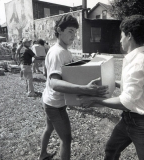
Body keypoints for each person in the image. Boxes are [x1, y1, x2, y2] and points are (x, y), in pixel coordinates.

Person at [80, 15, 144, 160]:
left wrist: (95, 100)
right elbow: (131, 85)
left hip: (143, 124)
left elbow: (125, 102)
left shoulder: (137, 63)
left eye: (121, 35)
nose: (120, 40)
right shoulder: (134, 59)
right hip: (127, 119)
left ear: (129, 36)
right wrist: (108, 81)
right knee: (111, 150)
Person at [38, 14, 108, 160]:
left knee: (49, 128)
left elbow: (55, 73)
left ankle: (42, 154)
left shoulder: (58, 50)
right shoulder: (59, 53)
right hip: (55, 105)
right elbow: (54, 83)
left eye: (75, 32)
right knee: (66, 139)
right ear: (59, 30)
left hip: (48, 99)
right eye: (70, 31)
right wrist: (85, 89)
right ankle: (43, 154)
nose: (74, 36)